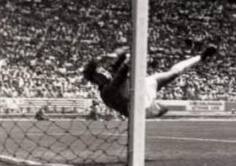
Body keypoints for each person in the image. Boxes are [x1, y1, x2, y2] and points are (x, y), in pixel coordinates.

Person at [83, 44, 217, 119]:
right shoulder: (106, 93)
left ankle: (201, 56)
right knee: (163, 109)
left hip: (140, 88)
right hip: (138, 107)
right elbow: (120, 75)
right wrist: (129, 58)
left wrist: (122, 53)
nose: (103, 72)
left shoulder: (109, 77)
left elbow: (117, 68)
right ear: (95, 79)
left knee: (174, 73)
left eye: (102, 69)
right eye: (99, 72)